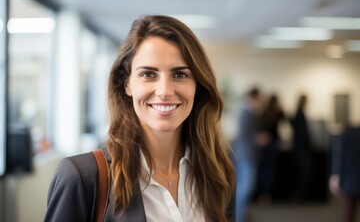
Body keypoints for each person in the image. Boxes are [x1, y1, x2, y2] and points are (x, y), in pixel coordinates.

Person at [44, 15, 235, 222]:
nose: (164, 91)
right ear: (126, 84)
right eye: (148, 74)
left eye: (180, 75)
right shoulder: (81, 177)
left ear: (197, 86)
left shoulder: (219, 173)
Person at [232, 87, 267, 222]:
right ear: (255, 97)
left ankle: (240, 216)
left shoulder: (243, 111)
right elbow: (247, 136)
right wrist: (259, 139)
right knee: (245, 188)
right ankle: (239, 217)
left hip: (242, 154)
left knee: (242, 187)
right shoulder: (247, 113)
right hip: (246, 155)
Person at [256, 94, 284, 205]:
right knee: (270, 170)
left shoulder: (263, 113)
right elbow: (284, 116)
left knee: (263, 170)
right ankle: (267, 194)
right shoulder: (277, 113)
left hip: (263, 145)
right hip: (272, 145)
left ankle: (262, 195)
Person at [329, 126, 360, 222]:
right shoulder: (346, 134)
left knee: (348, 214)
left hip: (349, 180)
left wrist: (335, 175)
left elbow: (339, 156)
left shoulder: (346, 134)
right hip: (350, 179)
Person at [290, 94, 312, 202]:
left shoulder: (298, 114)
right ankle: (298, 196)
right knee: (303, 173)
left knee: (303, 173)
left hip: (299, 148)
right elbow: (302, 134)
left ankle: (299, 196)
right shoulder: (300, 114)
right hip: (300, 149)